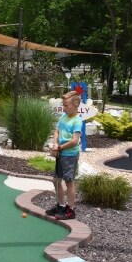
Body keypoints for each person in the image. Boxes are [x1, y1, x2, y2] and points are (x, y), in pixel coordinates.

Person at [47, 90, 83, 220]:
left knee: (69, 181)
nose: (64, 107)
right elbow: (57, 130)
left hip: (70, 155)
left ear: (75, 105)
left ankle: (71, 209)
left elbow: (74, 141)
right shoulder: (64, 117)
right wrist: (55, 144)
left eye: (66, 105)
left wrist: (60, 147)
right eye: (63, 105)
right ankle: (61, 206)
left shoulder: (77, 121)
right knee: (56, 180)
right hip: (60, 153)